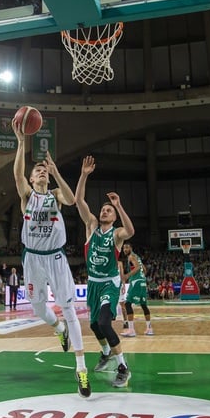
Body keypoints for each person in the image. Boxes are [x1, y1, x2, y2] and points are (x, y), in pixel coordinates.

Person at [12, 120, 88, 396]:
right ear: (32, 179)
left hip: (55, 258)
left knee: (70, 309)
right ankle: (58, 328)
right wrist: (22, 143)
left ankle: (81, 370)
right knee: (38, 309)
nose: (41, 172)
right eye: (38, 170)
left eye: (44, 169)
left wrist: (56, 173)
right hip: (32, 259)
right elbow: (17, 173)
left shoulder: (55, 195)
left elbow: (71, 199)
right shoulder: (26, 196)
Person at [75, 155, 135, 389]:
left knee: (104, 323)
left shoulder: (117, 234)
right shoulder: (91, 226)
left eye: (109, 210)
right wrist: (84, 175)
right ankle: (106, 352)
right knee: (93, 325)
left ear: (114, 216)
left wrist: (119, 205)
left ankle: (123, 367)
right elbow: (79, 201)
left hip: (109, 283)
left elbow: (130, 230)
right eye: (104, 209)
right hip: (93, 283)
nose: (105, 211)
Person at [120, 243, 153, 337]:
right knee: (143, 305)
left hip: (136, 282)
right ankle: (149, 328)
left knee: (127, 303)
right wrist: (142, 277)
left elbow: (138, 267)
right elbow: (144, 269)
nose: (124, 250)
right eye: (123, 248)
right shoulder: (137, 256)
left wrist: (127, 275)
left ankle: (131, 330)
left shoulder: (131, 256)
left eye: (126, 248)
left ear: (131, 248)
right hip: (142, 281)